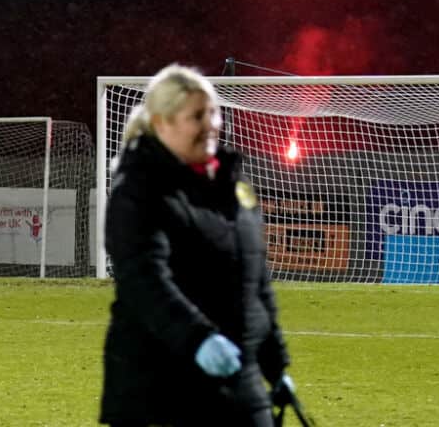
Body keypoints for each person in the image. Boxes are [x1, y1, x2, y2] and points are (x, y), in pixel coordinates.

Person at [101, 64, 294, 427]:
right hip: (160, 391)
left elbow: (256, 285)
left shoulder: (233, 188)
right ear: (161, 123)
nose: (210, 124)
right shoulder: (138, 190)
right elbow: (144, 280)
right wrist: (198, 339)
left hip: (241, 388)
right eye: (196, 116)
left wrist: (275, 365)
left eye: (213, 112)